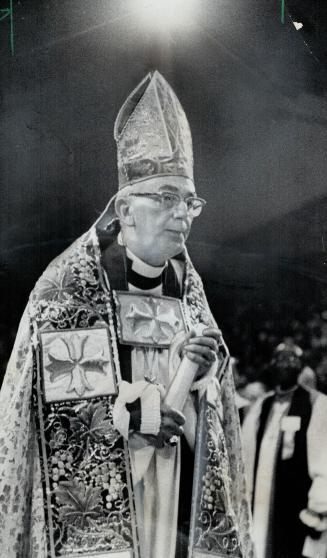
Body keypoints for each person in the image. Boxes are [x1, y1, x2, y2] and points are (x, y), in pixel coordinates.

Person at [0, 71, 254, 558]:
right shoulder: (68, 292)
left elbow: (214, 420)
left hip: (173, 485)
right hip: (114, 495)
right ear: (125, 209)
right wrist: (133, 414)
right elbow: (56, 419)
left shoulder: (191, 296)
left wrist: (201, 377)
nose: (182, 215)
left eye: (189, 202)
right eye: (165, 198)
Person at [242, 341, 327, 558]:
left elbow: (323, 462)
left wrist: (318, 507)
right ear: (272, 365)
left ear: (301, 367)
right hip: (260, 502)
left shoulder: (316, 403)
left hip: (297, 508)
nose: (286, 364)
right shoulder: (262, 405)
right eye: (280, 359)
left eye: (292, 359)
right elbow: (246, 455)